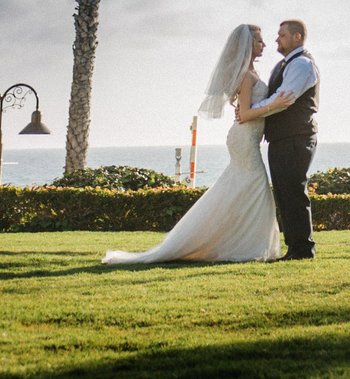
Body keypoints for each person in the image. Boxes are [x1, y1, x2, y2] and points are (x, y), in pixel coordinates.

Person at [98, 23, 287, 266]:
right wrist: (275, 104)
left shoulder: (250, 74)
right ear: (247, 45)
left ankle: (241, 243)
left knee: (243, 189)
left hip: (245, 137)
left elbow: (245, 110)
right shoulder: (247, 76)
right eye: (259, 40)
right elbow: (247, 113)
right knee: (257, 188)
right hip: (244, 139)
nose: (264, 44)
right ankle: (249, 246)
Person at [260, 19, 320, 260]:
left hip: (296, 136)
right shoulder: (283, 64)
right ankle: (294, 247)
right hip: (281, 137)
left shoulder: (303, 64)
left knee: (294, 191)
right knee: (284, 193)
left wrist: (252, 110)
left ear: (297, 37)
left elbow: (283, 99)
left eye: (282, 35)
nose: (277, 39)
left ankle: (303, 249)